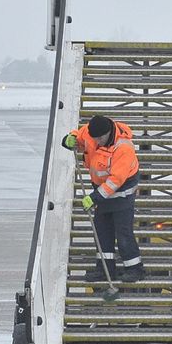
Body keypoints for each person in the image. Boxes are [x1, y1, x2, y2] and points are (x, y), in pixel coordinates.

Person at [62, 115, 145, 283]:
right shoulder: (90, 133)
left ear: (108, 133)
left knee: (123, 233)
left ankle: (135, 269)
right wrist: (68, 140)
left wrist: (94, 197)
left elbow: (116, 181)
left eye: (100, 138)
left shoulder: (123, 148)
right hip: (101, 191)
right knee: (102, 231)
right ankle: (105, 269)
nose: (97, 142)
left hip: (122, 194)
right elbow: (77, 137)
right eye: (95, 138)